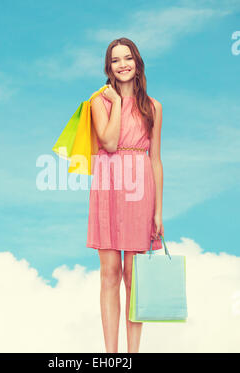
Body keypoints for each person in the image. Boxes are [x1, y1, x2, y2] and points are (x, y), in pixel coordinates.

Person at [86, 38, 164, 353]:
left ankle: (133, 354)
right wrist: (117, 102)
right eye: (115, 60)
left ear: (137, 62)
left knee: (135, 277)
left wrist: (158, 211)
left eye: (127, 58)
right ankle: (111, 355)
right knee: (110, 274)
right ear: (109, 67)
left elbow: (155, 160)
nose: (122, 65)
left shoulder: (154, 107)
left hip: (140, 190)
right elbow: (107, 142)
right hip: (107, 186)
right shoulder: (98, 102)